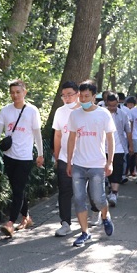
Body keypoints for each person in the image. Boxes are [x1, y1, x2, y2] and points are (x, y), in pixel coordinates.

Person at [0, 79, 44, 236]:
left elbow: (37, 133)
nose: (15, 95)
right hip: (9, 156)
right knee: (17, 188)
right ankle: (26, 217)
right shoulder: (5, 110)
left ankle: (10, 223)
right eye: (12, 92)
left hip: (25, 157)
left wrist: (40, 154)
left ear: (25, 92)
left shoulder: (32, 111)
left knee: (18, 189)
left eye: (18, 92)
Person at [67, 80, 116, 247]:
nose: (83, 99)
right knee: (79, 199)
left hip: (97, 164)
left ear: (94, 97)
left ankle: (105, 216)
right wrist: (69, 162)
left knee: (98, 199)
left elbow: (110, 139)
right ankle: (85, 232)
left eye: (87, 96)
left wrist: (110, 162)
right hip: (78, 164)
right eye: (81, 96)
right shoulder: (74, 115)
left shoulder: (103, 114)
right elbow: (72, 138)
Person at [51, 81, 80, 237]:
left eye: (70, 95)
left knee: (86, 192)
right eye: (64, 96)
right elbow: (58, 135)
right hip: (64, 158)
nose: (67, 98)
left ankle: (97, 211)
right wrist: (57, 156)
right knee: (64, 191)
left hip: (83, 159)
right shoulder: (60, 112)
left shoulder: (85, 111)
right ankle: (65, 223)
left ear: (77, 94)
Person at [105, 93, 133, 207]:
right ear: (107, 103)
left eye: (114, 105)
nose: (112, 108)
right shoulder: (102, 113)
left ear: (118, 103)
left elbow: (128, 131)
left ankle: (114, 193)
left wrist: (131, 145)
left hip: (119, 147)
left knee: (117, 170)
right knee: (107, 171)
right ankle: (110, 188)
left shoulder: (123, 115)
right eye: (110, 105)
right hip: (104, 148)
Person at [123, 96, 137, 179]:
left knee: (133, 154)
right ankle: (126, 170)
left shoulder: (135, 112)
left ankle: (132, 169)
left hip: (134, 135)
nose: (130, 106)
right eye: (129, 104)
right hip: (126, 136)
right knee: (127, 154)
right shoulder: (125, 111)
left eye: (132, 104)